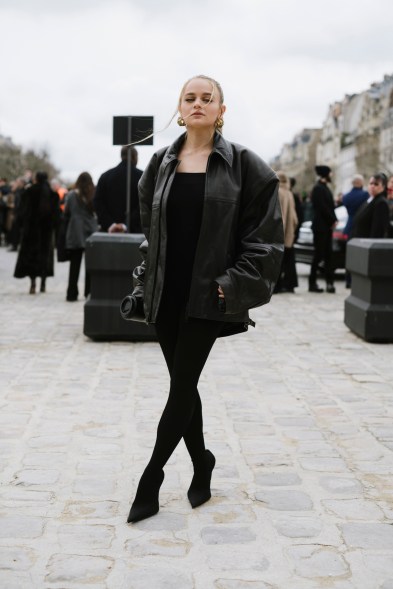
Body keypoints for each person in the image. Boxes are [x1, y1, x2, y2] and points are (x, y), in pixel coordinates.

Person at [126, 75, 284, 524]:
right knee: (184, 382)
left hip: (209, 294)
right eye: (189, 97)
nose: (198, 103)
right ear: (180, 108)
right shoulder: (159, 163)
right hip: (164, 292)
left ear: (221, 110)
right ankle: (202, 462)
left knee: (180, 385)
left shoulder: (247, 166)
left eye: (207, 98)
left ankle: (150, 477)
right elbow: (150, 233)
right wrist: (145, 280)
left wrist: (231, 285)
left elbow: (267, 240)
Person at [14, 171, 60, 294]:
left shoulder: (29, 192)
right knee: (44, 256)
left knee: (32, 257)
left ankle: (33, 283)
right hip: (46, 231)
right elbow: (56, 216)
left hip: (31, 231)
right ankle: (43, 284)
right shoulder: (52, 194)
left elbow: (22, 211)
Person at [64, 172, 98, 301]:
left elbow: (66, 211)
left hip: (75, 231)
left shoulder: (72, 195)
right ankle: (88, 292)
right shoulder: (92, 194)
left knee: (74, 265)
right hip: (91, 231)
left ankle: (71, 293)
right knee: (90, 264)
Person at [93, 146, 143, 233]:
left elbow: (98, 202)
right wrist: (125, 225)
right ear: (134, 156)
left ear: (122, 156)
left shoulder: (105, 176)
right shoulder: (142, 177)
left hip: (109, 233)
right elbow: (144, 205)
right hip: (134, 233)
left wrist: (110, 224)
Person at [308, 165, 337, 293]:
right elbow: (322, 207)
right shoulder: (318, 188)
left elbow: (329, 207)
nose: (331, 175)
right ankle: (312, 283)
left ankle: (329, 283)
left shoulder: (324, 187)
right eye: (330, 173)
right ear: (326, 174)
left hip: (326, 227)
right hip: (320, 227)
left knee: (328, 256)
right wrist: (333, 220)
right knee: (318, 255)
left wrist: (333, 219)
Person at [274, 171, 298, 293]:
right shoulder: (289, 193)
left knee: (276, 261)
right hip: (289, 232)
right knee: (289, 260)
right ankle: (289, 284)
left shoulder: (276, 191)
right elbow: (294, 218)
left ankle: (276, 286)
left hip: (277, 231)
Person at [352, 173, 390, 238]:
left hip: (368, 244)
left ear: (383, 187)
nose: (372, 186)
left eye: (376, 184)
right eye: (371, 183)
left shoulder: (381, 203)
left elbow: (377, 231)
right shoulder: (369, 200)